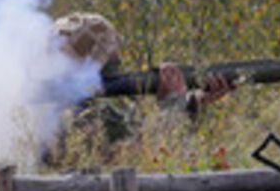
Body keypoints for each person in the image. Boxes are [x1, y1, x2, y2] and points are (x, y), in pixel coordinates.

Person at [50, 13, 235, 161]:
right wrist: (173, 102)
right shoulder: (80, 114)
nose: (118, 58)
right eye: (112, 55)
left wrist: (194, 101)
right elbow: (149, 151)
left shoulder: (55, 103)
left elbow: (132, 129)